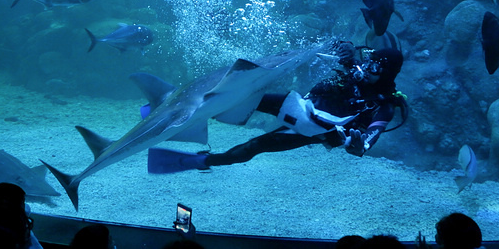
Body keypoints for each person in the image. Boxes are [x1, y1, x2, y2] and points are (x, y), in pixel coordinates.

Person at [148, 41, 409, 172]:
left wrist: (358, 146)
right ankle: (171, 113)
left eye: (374, 67)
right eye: (368, 60)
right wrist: (341, 47)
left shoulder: (383, 105)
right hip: (300, 105)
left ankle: (199, 161)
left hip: (312, 129)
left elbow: (368, 139)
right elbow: (338, 51)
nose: (365, 68)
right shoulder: (356, 68)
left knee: (255, 146)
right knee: (242, 95)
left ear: (385, 74)